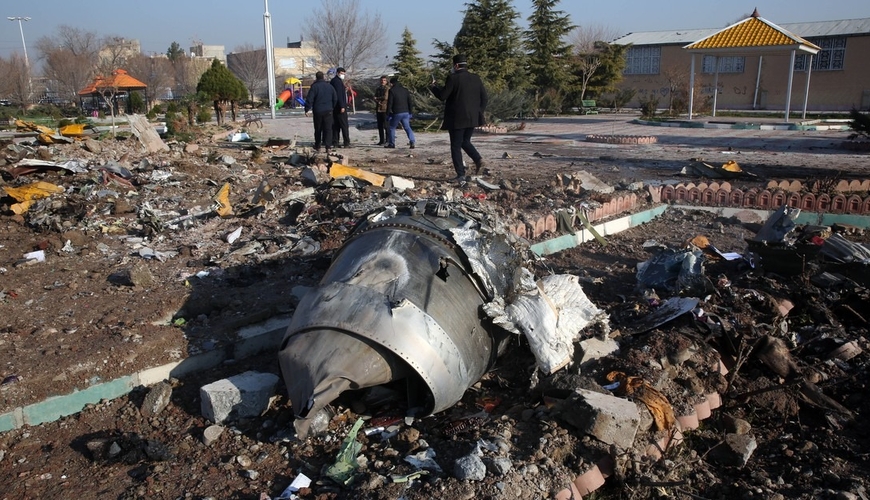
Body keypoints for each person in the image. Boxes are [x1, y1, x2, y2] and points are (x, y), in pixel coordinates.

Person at [430, 54, 488, 183]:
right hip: (472, 117)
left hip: (457, 118)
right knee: (465, 141)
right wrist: (479, 112)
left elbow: (443, 96)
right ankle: (478, 159)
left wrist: (434, 87)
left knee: (455, 146)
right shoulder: (476, 78)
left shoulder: (453, 78)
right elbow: (484, 98)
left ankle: (460, 174)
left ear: (456, 65)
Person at [304, 71, 337, 153]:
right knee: (328, 129)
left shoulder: (314, 87)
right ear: (323, 77)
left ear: (316, 77)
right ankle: (328, 146)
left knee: (318, 128)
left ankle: (318, 146)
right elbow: (335, 98)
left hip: (318, 111)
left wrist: (307, 109)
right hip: (328, 110)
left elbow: (310, 99)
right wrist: (332, 107)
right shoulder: (330, 86)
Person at [385, 76, 416, 149]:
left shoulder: (392, 90)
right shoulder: (405, 90)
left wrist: (388, 113)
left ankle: (392, 144)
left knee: (392, 128)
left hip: (397, 112)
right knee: (407, 127)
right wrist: (410, 112)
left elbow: (390, 103)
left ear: (392, 83)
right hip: (406, 112)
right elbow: (409, 102)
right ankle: (412, 141)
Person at [330, 67, 351, 148]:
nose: (343, 75)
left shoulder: (335, 81)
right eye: (342, 73)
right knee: (344, 125)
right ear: (338, 73)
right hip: (339, 107)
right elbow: (338, 95)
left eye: (344, 74)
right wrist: (342, 106)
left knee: (336, 125)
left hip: (335, 106)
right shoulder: (337, 82)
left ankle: (335, 142)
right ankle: (346, 142)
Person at [373, 75, 390, 145]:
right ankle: (381, 140)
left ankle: (388, 140)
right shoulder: (378, 88)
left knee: (386, 125)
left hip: (385, 108)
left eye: (384, 80)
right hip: (378, 108)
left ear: (386, 81)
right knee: (380, 126)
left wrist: (377, 98)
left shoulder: (387, 88)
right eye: (382, 80)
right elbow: (375, 96)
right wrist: (376, 99)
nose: (383, 82)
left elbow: (385, 97)